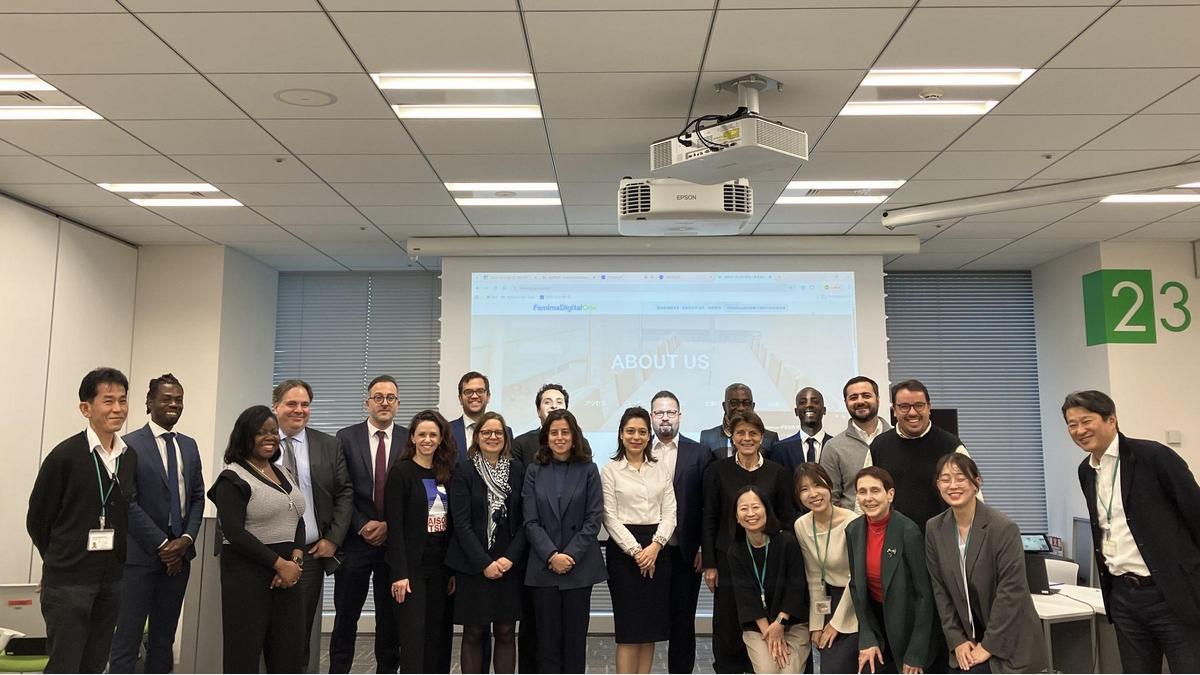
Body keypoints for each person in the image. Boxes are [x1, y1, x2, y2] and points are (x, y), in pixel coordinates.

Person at [1064, 390, 1200, 673]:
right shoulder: (1086, 471)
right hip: (1124, 597)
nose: (1079, 430)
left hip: (1170, 594)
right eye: (1072, 424)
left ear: (1111, 419)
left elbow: (1194, 513)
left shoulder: (1153, 456)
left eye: (1086, 421)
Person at [27, 367, 139, 674]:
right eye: (108, 401)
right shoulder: (65, 456)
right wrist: (58, 560)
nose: (118, 408)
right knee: (65, 665)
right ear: (86, 409)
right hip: (69, 583)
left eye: (122, 400)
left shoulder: (128, 456)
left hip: (111, 580)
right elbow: (38, 519)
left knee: (95, 663)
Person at [111, 374, 205, 674]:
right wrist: (163, 545)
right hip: (139, 559)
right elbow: (127, 502)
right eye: (166, 399)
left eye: (179, 399)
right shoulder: (128, 445)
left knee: (163, 640)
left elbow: (197, 497)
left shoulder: (189, 445)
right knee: (127, 640)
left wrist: (186, 540)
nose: (174, 404)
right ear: (149, 402)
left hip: (179, 559)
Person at [207, 405, 306, 674]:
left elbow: (297, 517)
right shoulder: (232, 478)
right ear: (245, 436)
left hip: (288, 577)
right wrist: (279, 565)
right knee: (244, 657)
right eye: (261, 432)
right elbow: (234, 532)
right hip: (247, 577)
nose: (270, 437)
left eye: (273, 431)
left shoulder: (283, 472)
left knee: (288, 656)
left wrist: (295, 562)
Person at [925, 454, 1045, 674]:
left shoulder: (1002, 528)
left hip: (1008, 641)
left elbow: (1011, 592)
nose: (953, 485)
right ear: (938, 485)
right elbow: (940, 590)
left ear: (976, 483)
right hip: (967, 641)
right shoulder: (935, 528)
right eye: (945, 479)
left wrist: (988, 645)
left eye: (960, 478)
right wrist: (957, 640)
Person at [702, 410, 797, 673]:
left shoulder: (777, 472)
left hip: (767, 560)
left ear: (762, 437)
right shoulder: (717, 470)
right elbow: (709, 517)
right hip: (727, 559)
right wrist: (710, 564)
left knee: (762, 616)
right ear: (731, 437)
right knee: (728, 623)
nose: (747, 438)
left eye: (753, 433)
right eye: (740, 433)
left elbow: (786, 518)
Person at [272, 379, 353, 672]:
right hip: (265, 554)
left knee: (298, 635)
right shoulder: (260, 442)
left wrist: (333, 538)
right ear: (276, 406)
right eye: (292, 404)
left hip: (308, 555)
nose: (299, 410)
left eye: (305, 404)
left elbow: (344, 493)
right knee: (264, 633)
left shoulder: (328, 445)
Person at [330, 375, 408, 673]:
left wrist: (388, 525)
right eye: (378, 397)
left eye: (390, 397)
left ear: (398, 404)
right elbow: (340, 489)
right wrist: (362, 525)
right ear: (367, 402)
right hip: (355, 542)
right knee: (346, 616)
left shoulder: (410, 439)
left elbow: (412, 491)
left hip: (393, 543)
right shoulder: (345, 437)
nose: (384, 402)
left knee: (390, 619)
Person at [522, 409, 607, 673]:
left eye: (565, 432)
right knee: (546, 645)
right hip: (544, 567)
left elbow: (594, 519)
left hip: (578, 567)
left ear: (574, 436)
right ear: (546, 437)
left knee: (574, 643)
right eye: (554, 432)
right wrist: (552, 556)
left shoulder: (589, 470)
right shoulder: (534, 471)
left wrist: (569, 556)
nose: (559, 438)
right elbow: (530, 521)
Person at [447, 412, 527, 674]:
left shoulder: (518, 470)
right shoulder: (464, 470)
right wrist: (484, 563)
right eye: (486, 432)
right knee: (473, 632)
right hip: (473, 565)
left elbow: (526, 520)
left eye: (498, 432)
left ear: (506, 438)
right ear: (477, 437)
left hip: (508, 565)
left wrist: (509, 558)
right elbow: (461, 523)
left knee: (506, 631)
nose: (493, 437)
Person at [601, 406, 677, 673]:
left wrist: (655, 546)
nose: (636, 437)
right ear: (621, 434)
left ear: (649, 436)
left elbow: (670, 512)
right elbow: (609, 517)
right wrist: (636, 551)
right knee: (629, 630)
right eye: (630, 431)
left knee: (650, 629)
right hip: (624, 555)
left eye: (642, 432)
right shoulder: (610, 470)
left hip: (658, 550)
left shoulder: (660, 469)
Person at [845, 467, 939, 674]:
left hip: (908, 626)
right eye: (862, 492)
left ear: (890, 494)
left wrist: (916, 653)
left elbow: (925, 596)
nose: (868, 498)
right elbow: (856, 587)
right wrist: (867, 637)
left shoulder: (909, 531)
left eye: (875, 490)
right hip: (876, 624)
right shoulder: (853, 531)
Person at [386, 410, 458, 673]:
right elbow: (394, 527)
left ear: (441, 439)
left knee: (438, 635)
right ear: (413, 438)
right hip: (411, 570)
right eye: (422, 434)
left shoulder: (447, 473)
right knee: (414, 636)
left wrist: (453, 570)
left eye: (433, 435)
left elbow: (453, 525)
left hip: (441, 568)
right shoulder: (401, 473)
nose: (427, 440)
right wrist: (399, 574)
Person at [649, 390, 714, 674]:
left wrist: (703, 547)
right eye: (659, 413)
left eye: (670, 412)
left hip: (686, 551)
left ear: (679, 416)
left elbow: (707, 505)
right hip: (648, 551)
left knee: (683, 620)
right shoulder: (639, 449)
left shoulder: (699, 453)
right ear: (652, 417)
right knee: (646, 619)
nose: (665, 418)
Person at [865, 379, 970, 533]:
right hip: (893, 538)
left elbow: (972, 497)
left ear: (929, 407)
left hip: (942, 538)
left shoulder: (952, 446)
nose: (912, 412)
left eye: (919, 405)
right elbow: (864, 495)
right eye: (904, 406)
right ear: (894, 410)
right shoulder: (878, 446)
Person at [727, 486, 810, 674]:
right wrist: (770, 633)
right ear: (737, 517)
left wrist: (780, 623)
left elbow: (796, 588)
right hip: (759, 627)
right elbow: (746, 598)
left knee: (788, 671)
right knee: (768, 671)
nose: (750, 513)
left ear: (767, 510)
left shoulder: (787, 542)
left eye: (756, 507)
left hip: (792, 623)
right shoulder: (735, 551)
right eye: (744, 509)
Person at [793, 463, 858, 674]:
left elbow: (856, 578)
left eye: (818, 485)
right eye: (804, 489)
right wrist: (816, 624)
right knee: (829, 665)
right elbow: (814, 576)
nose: (813, 494)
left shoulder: (852, 522)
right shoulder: (801, 525)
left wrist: (835, 624)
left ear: (829, 486)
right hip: (829, 600)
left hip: (856, 601)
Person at [821, 377, 891, 509]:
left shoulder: (896, 439)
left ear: (878, 399)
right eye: (853, 397)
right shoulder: (833, 447)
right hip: (852, 521)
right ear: (846, 403)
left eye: (866, 396)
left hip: (896, 520)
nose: (860, 401)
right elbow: (831, 499)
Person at [511, 383, 589, 467]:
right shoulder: (521, 443)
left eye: (559, 402)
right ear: (538, 411)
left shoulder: (579, 442)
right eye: (547, 402)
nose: (554, 406)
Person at [700, 383, 780, 459]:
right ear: (724, 406)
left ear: (753, 406)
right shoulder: (708, 437)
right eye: (734, 403)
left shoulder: (770, 438)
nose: (740, 408)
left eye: (746, 403)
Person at [450, 371, 513, 460]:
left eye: (480, 391)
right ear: (460, 398)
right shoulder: (447, 431)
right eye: (468, 392)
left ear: (488, 397)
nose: (474, 396)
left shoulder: (505, 432)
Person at [770, 387, 833, 474]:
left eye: (815, 402)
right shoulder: (780, 449)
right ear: (796, 411)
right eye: (803, 402)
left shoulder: (836, 446)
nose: (809, 405)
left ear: (824, 410)